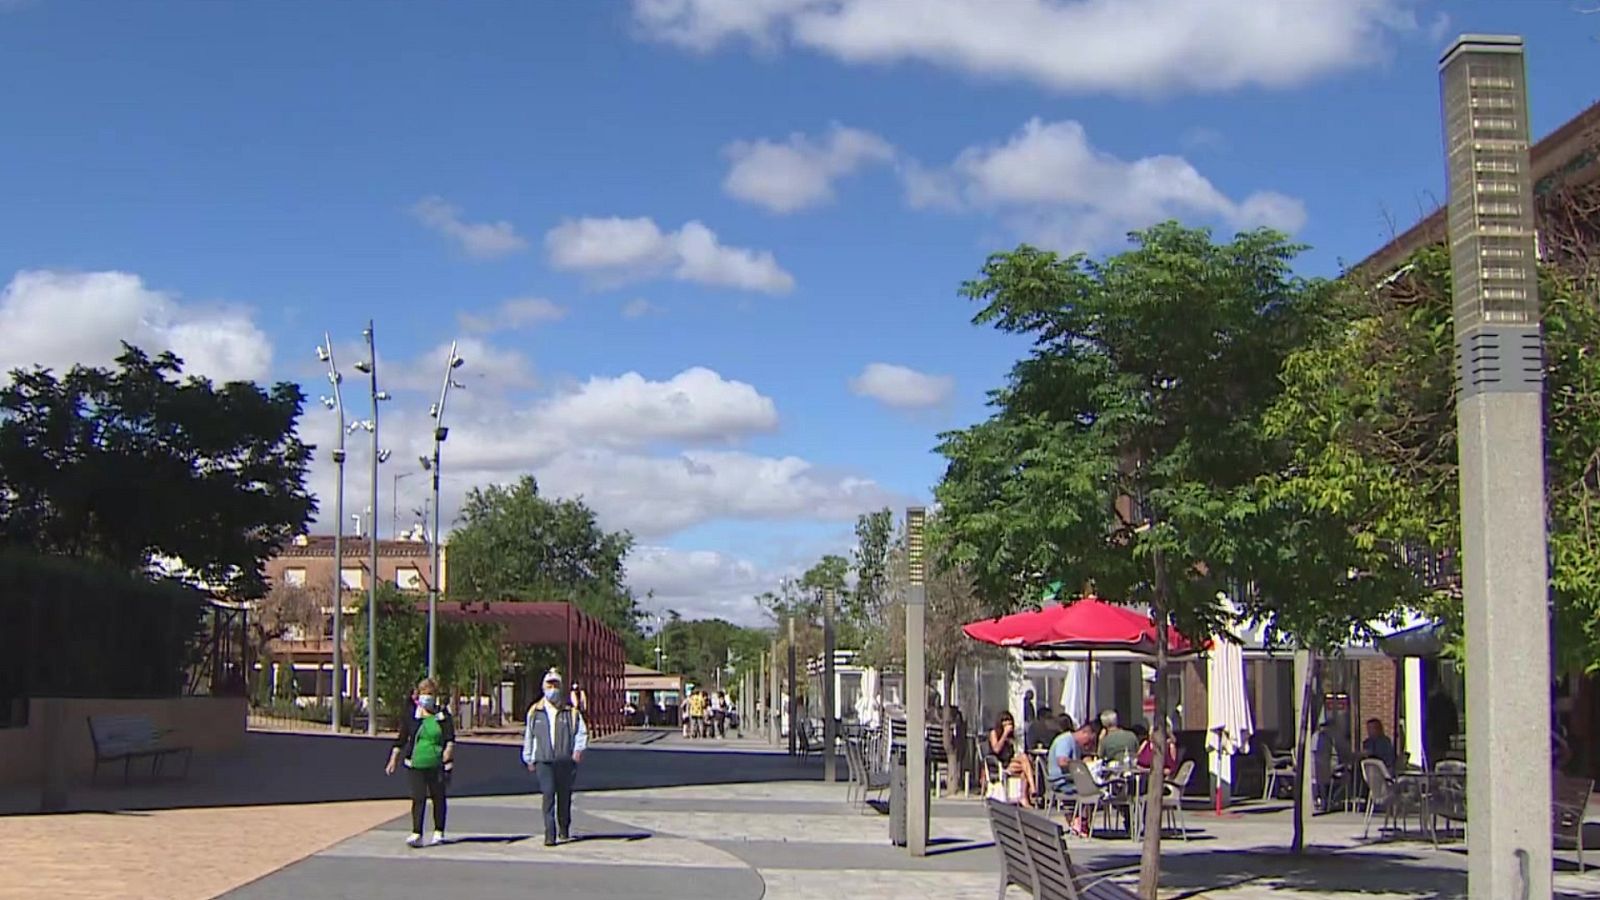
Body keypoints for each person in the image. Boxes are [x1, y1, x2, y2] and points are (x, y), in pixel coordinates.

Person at [386, 677, 455, 848]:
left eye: (430, 693)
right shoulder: (412, 715)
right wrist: (393, 759)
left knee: (438, 797)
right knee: (418, 798)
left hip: (437, 764)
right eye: (424, 693)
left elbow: (450, 737)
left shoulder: (442, 715)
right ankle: (417, 833)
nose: (427, 697)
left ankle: (439, 831)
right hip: (416, 764)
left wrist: (448, 751)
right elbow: (402, 738)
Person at [523, 669, 589, 846]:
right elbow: (529, 735)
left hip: (564, 760)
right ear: (543, 687)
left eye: (555, 685)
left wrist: (578, 750)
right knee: (548, 794)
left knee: (564, 795)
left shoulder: (570, 712)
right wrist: (528, 757)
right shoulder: (535, 712)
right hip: (543, 760)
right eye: (549, 685)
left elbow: (581, 732)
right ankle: (549, 834)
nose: (552, 689)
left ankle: (564, 827)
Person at [986, 711, 1037, 807]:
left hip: (1009, 762)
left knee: (1025, 764)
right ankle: (1032, 789)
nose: (1007, 723)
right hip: (998, 764)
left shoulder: (1011, 737)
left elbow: (1014, 753)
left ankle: (1024, 797)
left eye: (1009, 721)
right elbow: (996, 749)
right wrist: (1004, 734)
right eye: (1005, 721)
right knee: (1025, 762)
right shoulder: (994, 733)